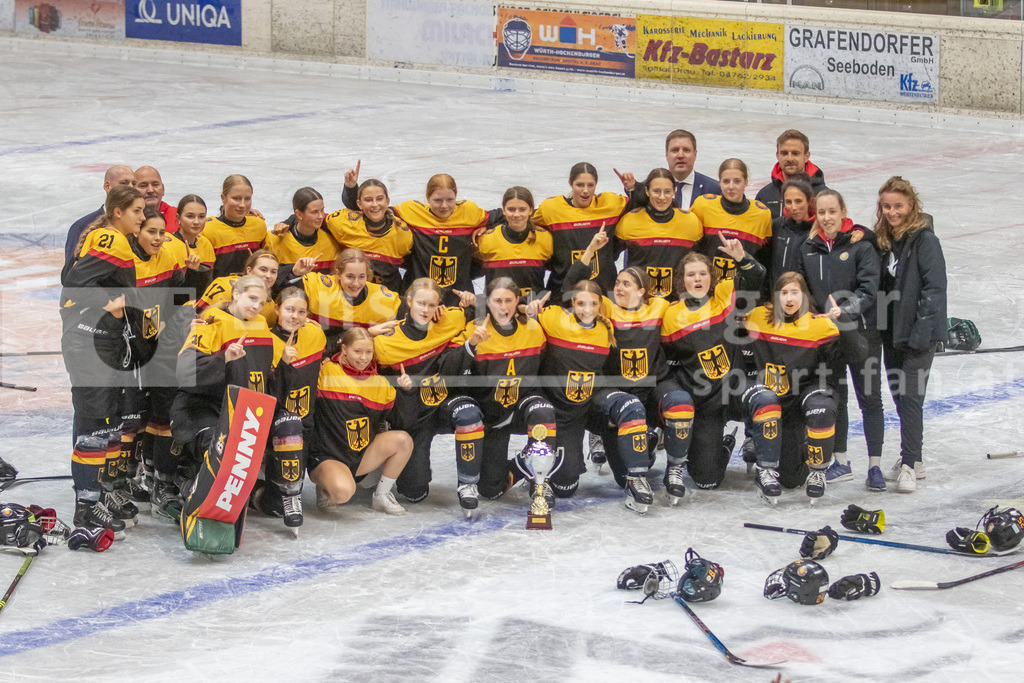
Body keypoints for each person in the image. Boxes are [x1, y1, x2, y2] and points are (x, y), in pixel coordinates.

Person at [563, 230, 695, 512]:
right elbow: (573, 285)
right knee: (627, 471)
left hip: (653, 386)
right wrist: (590, 250)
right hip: (616, 394)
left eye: (626, 284)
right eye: (618, 283)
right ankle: (633, 474)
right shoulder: (606, 308)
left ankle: (674, 468)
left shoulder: (660, 307)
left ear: (642, 291)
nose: (619, 288)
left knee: (681, 404)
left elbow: (694, 310)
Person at [60, 184, 147, 534]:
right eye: (137, 210)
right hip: (88, 341)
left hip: (104, 341)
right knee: (96, 426)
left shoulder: (114, 238)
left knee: (108, 424)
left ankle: (98, 495)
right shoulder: (110, 239)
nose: (142, 216)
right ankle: (86, 506)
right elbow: (72, 282)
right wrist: (108, 303)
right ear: (118, 213)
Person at [660, 246, 778, 496]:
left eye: (703, 274)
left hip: (735, 387)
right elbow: (670, 361)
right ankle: (724, 446)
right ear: (681, 280)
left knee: (766, 399)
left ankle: (766, 468)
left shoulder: (724, 294)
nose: (698, 280)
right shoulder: (671, 315)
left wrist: (741, 257)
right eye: (691, 275)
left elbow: (757, 275)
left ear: (711, 277)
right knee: (706, 480)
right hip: (705, 401)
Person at [373, 278, 487, 512]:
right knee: (414, 494)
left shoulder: (452, 318)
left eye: (432, 305)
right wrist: (402, 390)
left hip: (445, 405)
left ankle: (467, 486)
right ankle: (384, 456)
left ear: (439, 306)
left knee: (468, 414)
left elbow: (497, 312)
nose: (426, 311)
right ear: (409, 301)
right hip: (413, 417)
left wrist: (477, 302)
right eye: (420, 304)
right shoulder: (385, 342)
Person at [796, 189, 884, 491]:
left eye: (832, 211)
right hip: (828, 337)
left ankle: (875, 466)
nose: (827, 218)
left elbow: (869, 290)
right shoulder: (809, 248)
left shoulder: (861, 245)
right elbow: (803, 289)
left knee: (870, 399)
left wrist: (844, 311)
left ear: (843, 211)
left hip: (862, 333)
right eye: (821, 213)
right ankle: (842, 461)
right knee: (838, 398)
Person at [172, 275, 284, 502]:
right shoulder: (211, 321)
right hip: (200, 407)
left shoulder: (261, 324)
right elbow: (185, 373)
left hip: (240, 410)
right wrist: (224, 358)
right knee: (222, 451)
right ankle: (187, 482)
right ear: (235, 294)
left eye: (261, 302)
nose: (256, 306)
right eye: (252, 298)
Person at [874, 176, 947, 493]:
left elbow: (935, 289)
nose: (892, 212)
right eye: (887, 206)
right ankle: (912, 458)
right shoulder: (885, 240)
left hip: (919, 334)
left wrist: (922, 332)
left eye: (898, 206)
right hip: (891, 333)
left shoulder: (925, 241)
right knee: (900, 398)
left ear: (911, 205)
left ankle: (909, 465)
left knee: (911, 399)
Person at [457, 278, 557, 502]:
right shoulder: (474, 331)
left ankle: (540, 480)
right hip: (493, 414)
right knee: (490, 490)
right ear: (487, 302)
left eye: (509, 301)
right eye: (497, 301)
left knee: (543, 410)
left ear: (517, 301)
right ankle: (524, 462)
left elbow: (542, 366)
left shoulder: (533, 329)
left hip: (523, 405)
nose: (503, 307)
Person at [744, 273, 840, 503]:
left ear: (804, 296)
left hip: (800, 400)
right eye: (783, 293)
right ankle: (758, 451)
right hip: (772, 400)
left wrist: (843, 324)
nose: (788, 298)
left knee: (792, 479)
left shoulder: (819, 325)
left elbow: (858, 355)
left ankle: (817, 470)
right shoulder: (757, 317)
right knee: (763, 400)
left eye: (794, 292)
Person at [340, 167, 497, 305]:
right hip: (417, 295)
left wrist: (485, 227)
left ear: (456, 196)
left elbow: (505, 216)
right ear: (427, 198)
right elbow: (371, 210)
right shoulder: (411, 211)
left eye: (450, 200)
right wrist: (351, 188)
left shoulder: (469, 212)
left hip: (458, 296)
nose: (444, 205)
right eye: (437, 200)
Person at [127, 208, 191, 520]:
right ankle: (128, 479)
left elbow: (179, 294)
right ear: (136, 231)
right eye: (151, 231)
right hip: (128, 350)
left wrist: (176, 328)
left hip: (160, 348)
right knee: (133, 417)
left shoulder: (169, 257)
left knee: (164, 414)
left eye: (162, 232)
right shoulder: (125, 262)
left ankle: (160, 482)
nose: (158, 238)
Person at [308, 328, 411, 515]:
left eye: (368, 352)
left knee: (403, 440)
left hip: (360, 457)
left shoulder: (379, 384)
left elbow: (401, 419)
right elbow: (316, 347)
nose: (364, 358)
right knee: (342, 493)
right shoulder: (326, 371)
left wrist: (405, 392)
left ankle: (381, 495)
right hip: (327, 456)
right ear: (344, 349)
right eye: (357, 351)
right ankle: (325, 485)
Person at [529, 279, 615, 500]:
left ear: (601, 305)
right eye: (581, 303)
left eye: (593, 304)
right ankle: (525, 464)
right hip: (548, 409)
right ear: (573, 302)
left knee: (566, 488)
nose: (587, 310)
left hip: (576, 414)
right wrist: (528, 310)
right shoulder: (555, 318)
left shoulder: (606, 330)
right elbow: (517, 309)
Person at [249, 287, 326, 531]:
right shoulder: (264, 339)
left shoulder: (314, 333)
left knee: (275, 505)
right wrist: (280, 362)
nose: (294, 316)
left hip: (304, 428)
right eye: (289, 309)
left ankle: (273, 493)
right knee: (290, 420)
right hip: (272, 425)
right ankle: (255, 493)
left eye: (301, 311)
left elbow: (336, 345)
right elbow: (267, 392)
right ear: (278, 309)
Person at [533, 162, 642, 296]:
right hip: (563, 292)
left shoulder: (611, 204)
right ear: (570, 183)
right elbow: (523, 220)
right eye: (580, 185)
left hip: (604, 293)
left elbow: (643, 205)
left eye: (590, 185)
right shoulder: (551, 209)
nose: (585, 190)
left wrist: (632, 189)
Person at [615, 168, 704, 298]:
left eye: (667, 191)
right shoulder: (629, 221)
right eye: (656, 191)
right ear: (647, 191)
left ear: (674, 191)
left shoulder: (691, 223)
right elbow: (608, 257)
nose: (662, 197)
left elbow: (701, 264)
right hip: (640, 305)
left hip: (677, 305)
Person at [298, 249, 401, 356]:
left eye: (361, 276)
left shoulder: (383, 299)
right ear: (338, 274)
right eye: (350, 276)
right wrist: (295, 273)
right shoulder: (318, 287)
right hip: (317, 354)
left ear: (368, 275)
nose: (356, 283)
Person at [325, 177, 413, 293]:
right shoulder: (343, 223)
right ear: (359, 204)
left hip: (388, 300)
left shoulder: (402, 234)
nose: (375, 204)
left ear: (387, 201)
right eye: (368, 200)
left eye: (379, 199)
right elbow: (315, 218)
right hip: (351, 298)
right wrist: (292, 222)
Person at [691, 159, 772, 282]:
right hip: (707, 290)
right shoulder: (703, 206)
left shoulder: (762, 214)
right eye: (726, 181)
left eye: (737, 181)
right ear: (720, 182)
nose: (731, 187)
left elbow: (766, 259)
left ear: (746, 182)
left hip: (743, 292)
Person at [475, 186, 553, 302]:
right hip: (498, 311)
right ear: (504, 210)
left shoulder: (544, 238)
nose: (516, 214)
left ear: (531, 210)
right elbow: (471, 272)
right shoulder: (487, 239)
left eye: (522, 209)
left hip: (533, 311)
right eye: (511, 209)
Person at [264, 187, 339, 286]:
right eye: (314, 212)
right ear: (299, 214)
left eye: (322, 210)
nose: (321, 216)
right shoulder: (275, 239)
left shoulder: (332, 236)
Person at [64, 164, 135, 263]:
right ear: (107, 186)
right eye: (124, 183)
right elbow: (70, 274)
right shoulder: (81, 227)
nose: (131, 188)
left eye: (134, 184)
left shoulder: (140, 224)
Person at [203, 174, 268, 278]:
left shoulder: (258, 225)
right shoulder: (207, 229)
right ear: (223, 198)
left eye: (247, 199)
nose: (242, 205)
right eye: (236, 198)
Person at [755, 130, 827, 219]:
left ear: (806, 156)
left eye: (795, 153)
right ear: (778, 156)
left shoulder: (823, 195)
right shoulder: (765, 195)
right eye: (784, 153)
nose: (789, 158)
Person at [196, 250, 280, 325]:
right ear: (249, 271)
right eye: (263, 269)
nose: (268, 276)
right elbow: (198, 318)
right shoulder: (223, 286)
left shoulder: (271, 307)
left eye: (273, 272)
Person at [164, 194, 215, 300]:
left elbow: (208, 285)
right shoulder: (167, 245)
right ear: (178, 218)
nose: (196, 222)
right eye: (190, 216)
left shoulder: (205, 243)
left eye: (201, 216)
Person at [770, 174, 816, 285]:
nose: (794, 207)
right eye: (789, 202)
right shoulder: (776, 226)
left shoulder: (817, 230)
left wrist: (861, 230)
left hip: (805, 298)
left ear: (809, 201)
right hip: (776, 296)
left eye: (798, 201)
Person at [664, 130, 721, 208]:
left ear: (695, 154)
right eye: (675, 150)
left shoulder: (715, 189)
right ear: (666, 155)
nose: (680, 155)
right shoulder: (648, 188)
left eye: (686, 150)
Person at [134, 166, 179, 232]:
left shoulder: (179, 216)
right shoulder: (125, 218)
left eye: (155, 185)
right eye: (143, 186)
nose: (150, 190)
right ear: (132, 191)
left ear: (163, 189)